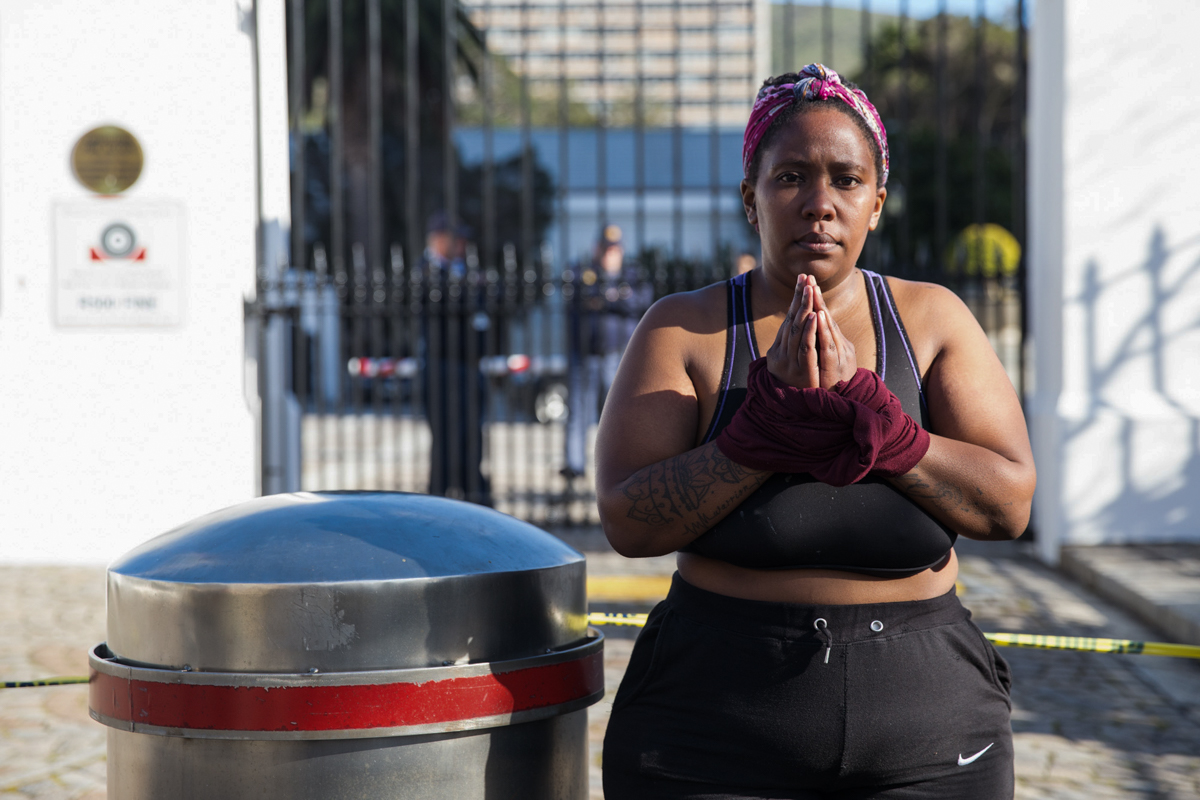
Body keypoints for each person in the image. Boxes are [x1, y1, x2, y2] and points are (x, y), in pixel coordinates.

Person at [597, 64, 1035, 799]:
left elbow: (1009, 505)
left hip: (927, 725)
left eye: (847, 180)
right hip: (712, 721)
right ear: (751, 197)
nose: (820, 205)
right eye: (792, 176)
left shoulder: (931, 320)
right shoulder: (685, 329)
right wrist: (753, 439)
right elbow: (627, 520)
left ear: (878, 203)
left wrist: (895, 437)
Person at [563, 224, 653, 478]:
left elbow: (642, 300)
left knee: (619, 415)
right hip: (586, 354)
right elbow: (578, 297)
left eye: (614, 250)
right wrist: (616, 297)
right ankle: (575, 467)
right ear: (596, 249)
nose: (609, 255)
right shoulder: (582, 272)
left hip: (619, 356)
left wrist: (606, 299)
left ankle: (620, 467)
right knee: (579, 412)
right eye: (605, 250)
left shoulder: (632, 274)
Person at [421, 213, 491, 504]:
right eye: (455, 239)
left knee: (470, 437)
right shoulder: (425, 273)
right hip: (441, 365)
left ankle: (474, 498)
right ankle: (440, 500)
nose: (462, 244)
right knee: (445, 440)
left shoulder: (465, 271)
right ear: (439, 240)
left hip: (470, 365)